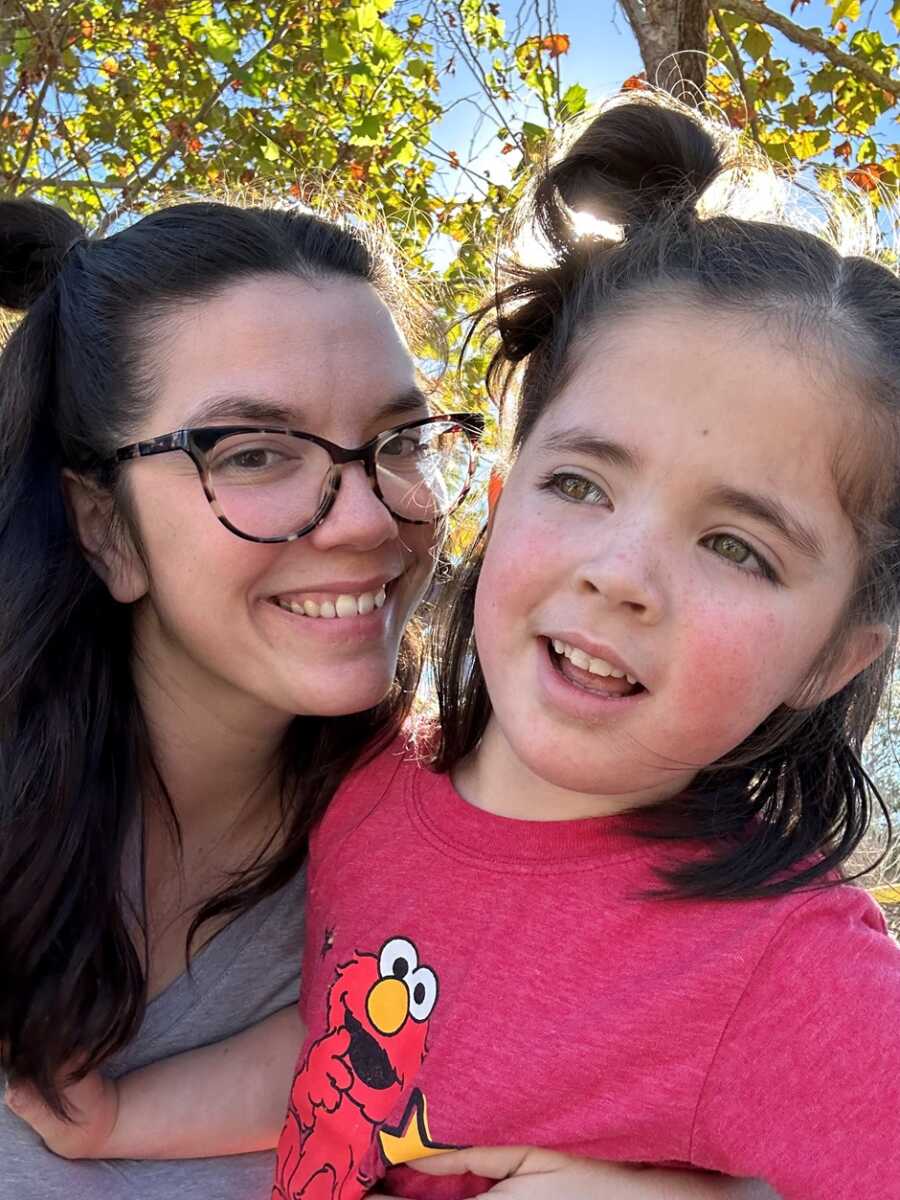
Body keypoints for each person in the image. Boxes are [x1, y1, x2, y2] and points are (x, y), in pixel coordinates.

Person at [0, 194, 765, 1200]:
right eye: (256, 453)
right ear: (103, 526)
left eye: (401, 444)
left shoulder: (461, 849)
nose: (367, 521)